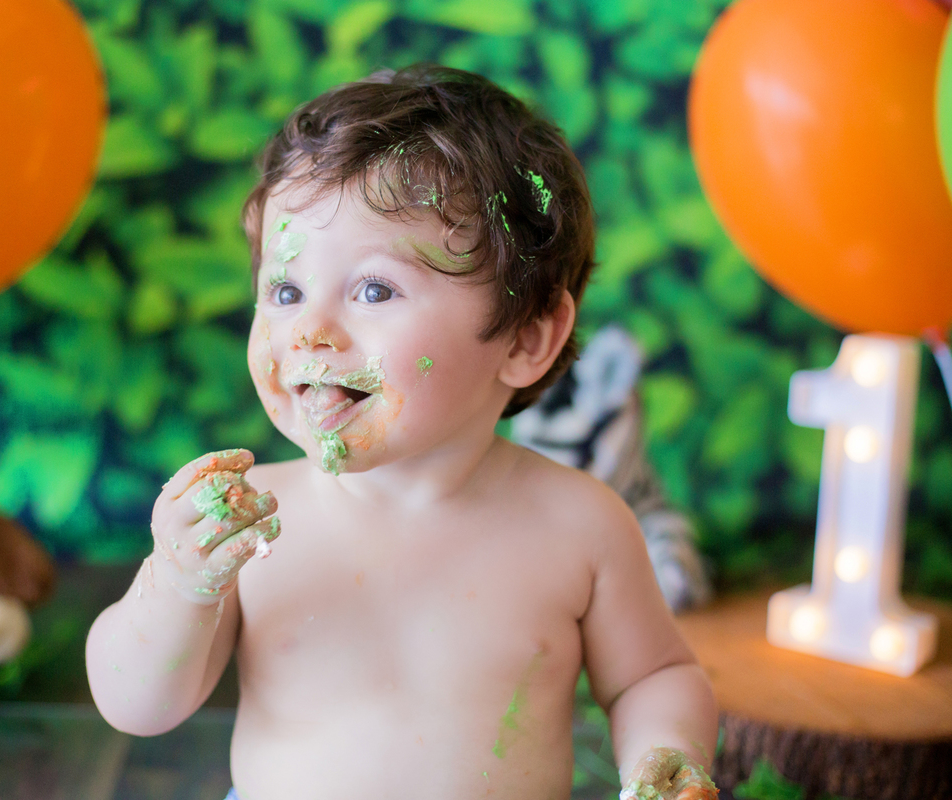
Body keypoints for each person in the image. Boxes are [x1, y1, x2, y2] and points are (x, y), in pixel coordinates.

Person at [86, 65, 718, 800]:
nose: (310, 331)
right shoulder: (252, 522)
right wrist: (177, 585)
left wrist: (663, 756)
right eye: (286, 290)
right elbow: (137, 707)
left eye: (375, 290)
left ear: (525, 338)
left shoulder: (580, 526)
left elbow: (655, 675)